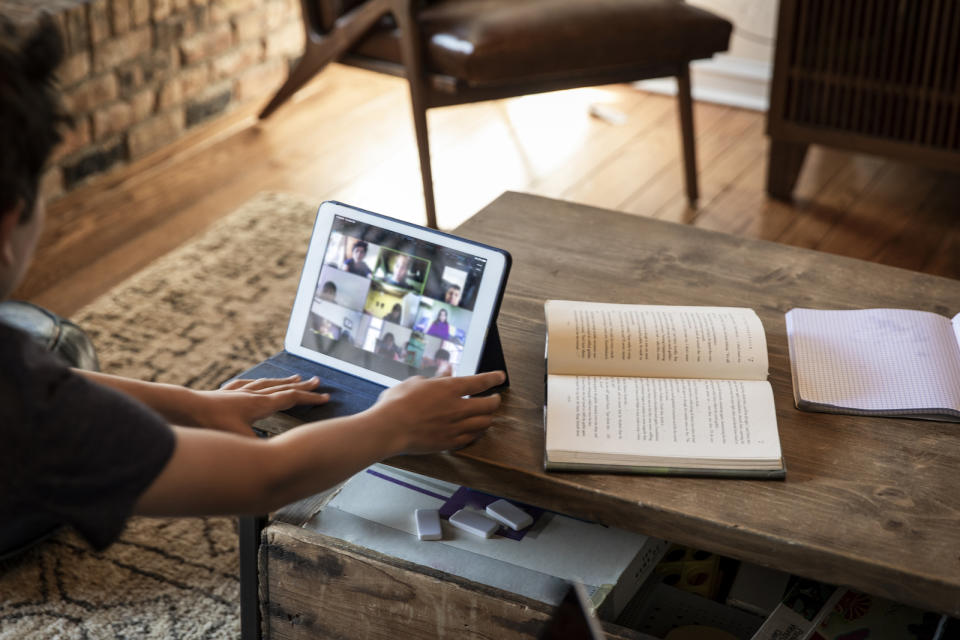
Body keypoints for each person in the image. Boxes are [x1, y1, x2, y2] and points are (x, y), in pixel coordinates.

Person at [0, 16, 504, 557]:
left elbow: (48, 387)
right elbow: (266, 477)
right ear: (10, 220)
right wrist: (391, 425)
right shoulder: (24, 408)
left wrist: (191, 405)